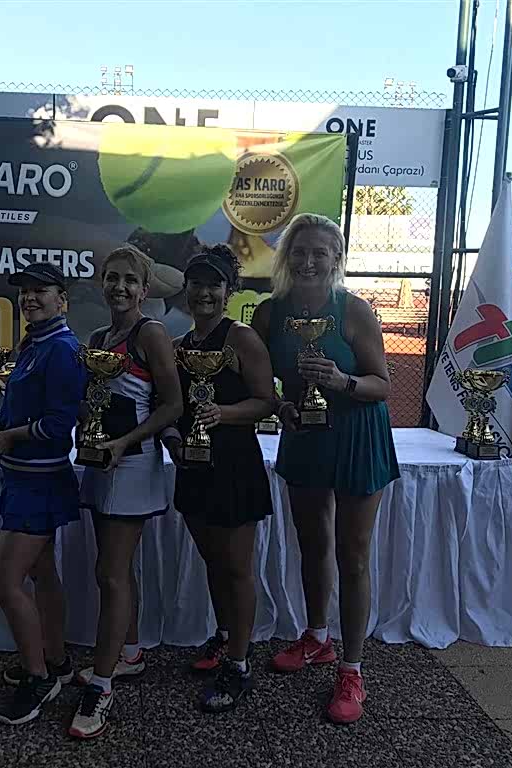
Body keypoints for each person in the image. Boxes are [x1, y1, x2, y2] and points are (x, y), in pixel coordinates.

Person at [250, 213, 401, 725]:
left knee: (352, 555)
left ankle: (352, 669)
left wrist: (342, 381)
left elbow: (383, 385)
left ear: (336, 258)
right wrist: (280, 407)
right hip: (306, 436)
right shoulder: (269, 314)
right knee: (312, 543)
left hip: (357, 435)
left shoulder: (354, 310)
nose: (308, 261)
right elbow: (261, 382)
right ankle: (317, 637)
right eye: (299, 252)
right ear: (286, 257)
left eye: (319, 252)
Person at [68, 244, 183, 739]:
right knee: (112, 570)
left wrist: (124, 442)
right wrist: (85, 426)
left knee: (111, 574)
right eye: (112, 278)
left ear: (144, 289)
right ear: (102, 283)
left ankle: (102, 684)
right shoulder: (98, 337)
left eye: (129, 280)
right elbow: (94, 400)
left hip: (132, 464)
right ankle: (129, 652)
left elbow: (173, 405)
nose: (120, 287)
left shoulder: (151, 333)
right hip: (102, 462)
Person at [160, 243, 276, 713]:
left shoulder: (242, 339)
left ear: (229, 292)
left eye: (214, 284)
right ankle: (225, 636)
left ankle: (240, 664)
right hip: (193, 466)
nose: (204, 293)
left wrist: (222, 414)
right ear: (186, 289)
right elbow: (170, 407)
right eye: (197, 283)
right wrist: (172, 435)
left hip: (234, 465)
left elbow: (266, 402)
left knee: (236, 567)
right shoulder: (178, 347)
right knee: (212, 561)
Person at [0, 261, 88, 726]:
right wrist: (0, 429)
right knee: (43, 574)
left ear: (62, 299)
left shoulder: (61, 348)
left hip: (39, 480)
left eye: (40, 290)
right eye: (24, 291)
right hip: (23, 476)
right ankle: (57, 660)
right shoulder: (35, 343)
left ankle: (38, 677)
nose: (29, 297)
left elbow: (61, 425)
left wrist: (12, 436)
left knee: (4, 583)